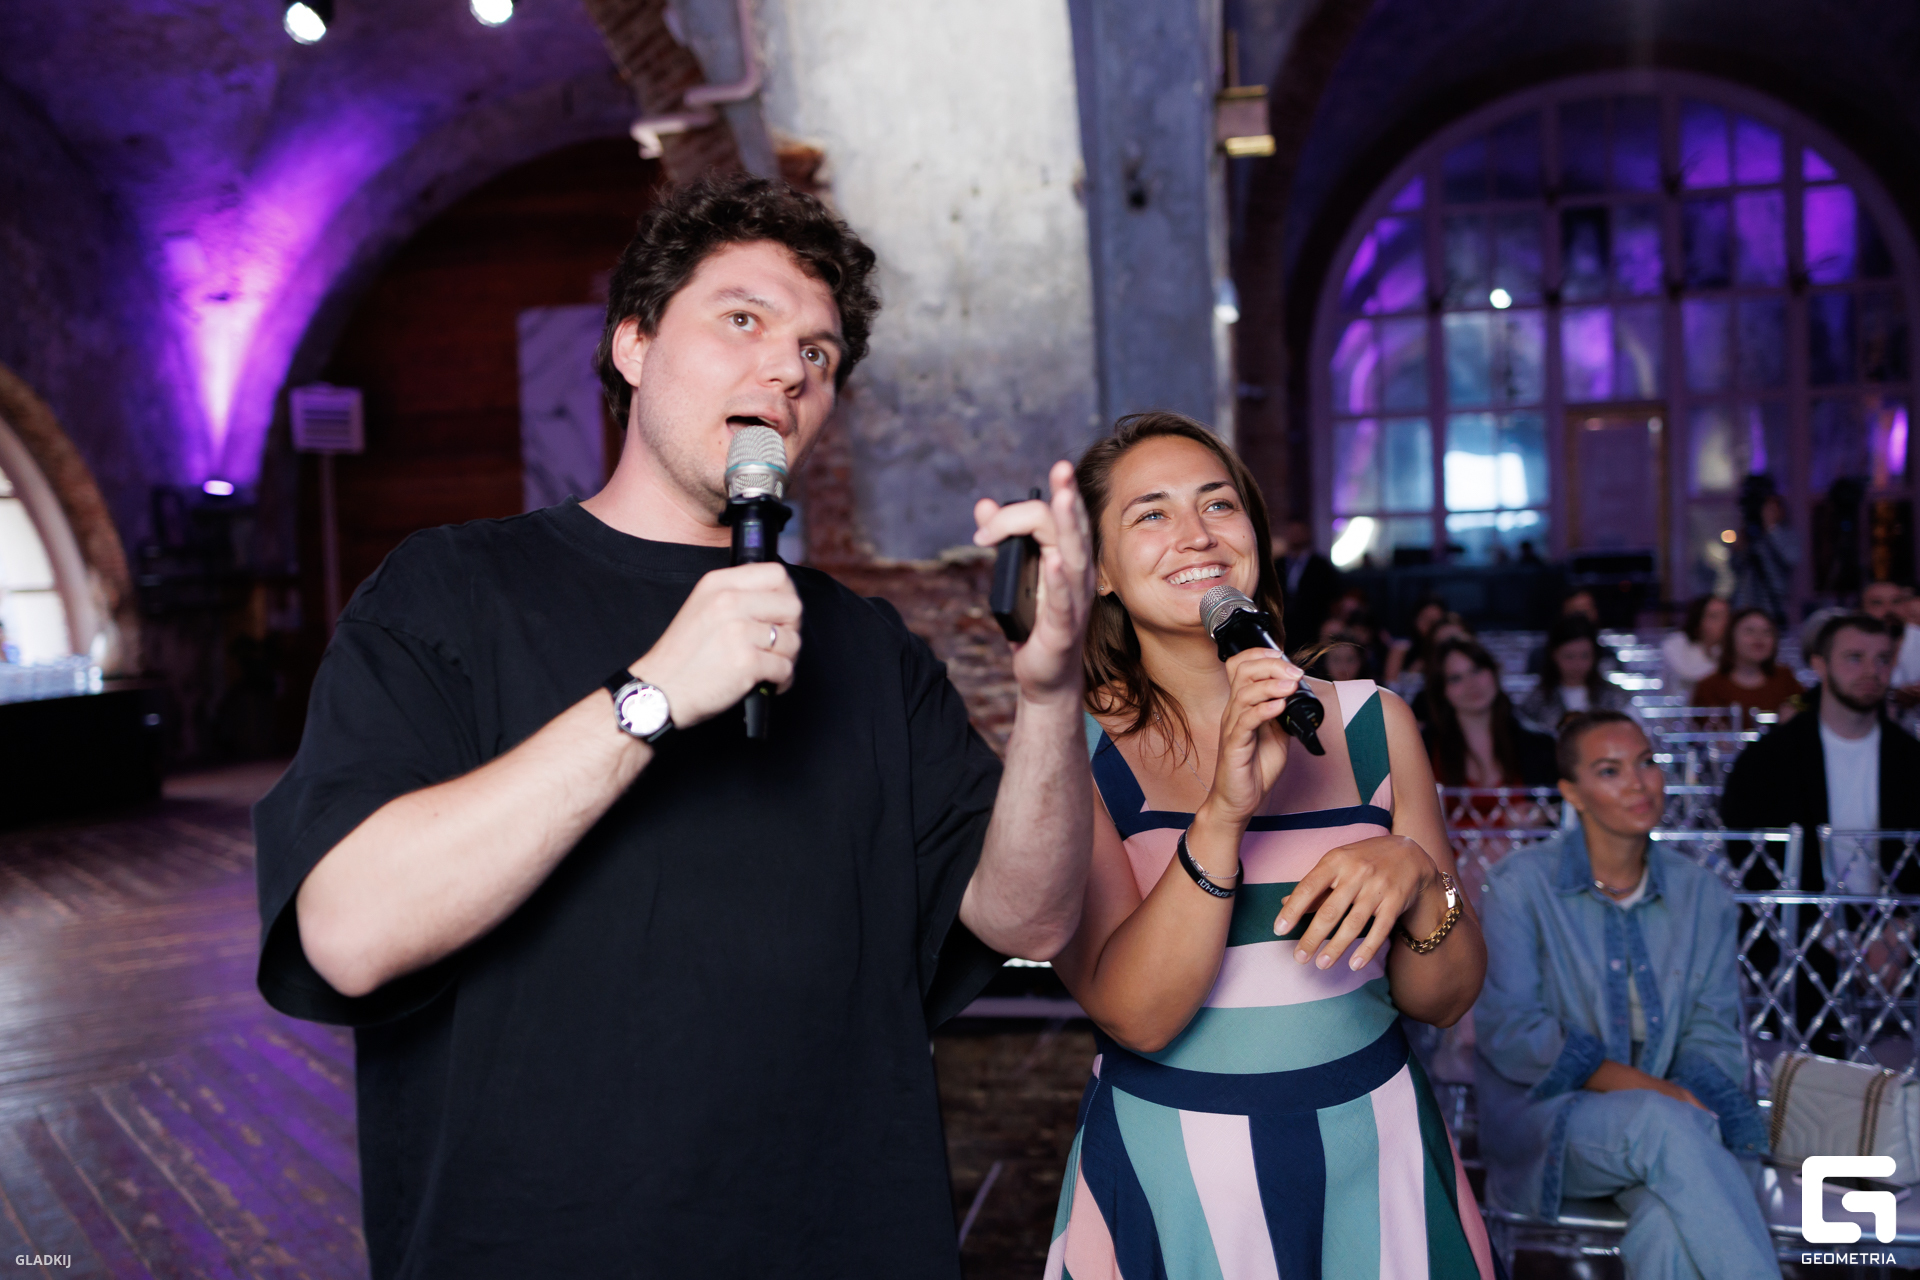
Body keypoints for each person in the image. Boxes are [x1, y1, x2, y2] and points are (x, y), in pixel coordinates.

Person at [252, 174, 1098, 1278]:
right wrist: (650, 695)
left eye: (819, 352)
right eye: (743, 319)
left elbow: (1032, 912)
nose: (788, 370)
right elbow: (350, 933)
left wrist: (1051, 693)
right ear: (634, 344)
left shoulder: (868, 647)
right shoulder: (451, 590)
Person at [1043, 412, 1495, 1280]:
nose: (1197, 535)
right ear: (1099, 570)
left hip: (1378, 1155)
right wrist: (1224, 811)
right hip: (1182, 1174)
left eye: (1219, 504)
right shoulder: (1071, 753)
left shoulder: (1374, 723)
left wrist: (1419, 877)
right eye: (1151, 514)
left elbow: (1445, 999)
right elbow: (1136, 1016)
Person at [1475, 711, 1777, 1280]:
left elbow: (1712, 1031)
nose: (1639, 784)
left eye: (1646, 763)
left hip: (1675, 1125)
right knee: (1662, 1125)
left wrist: (1680, 1096)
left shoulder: (1702, 895)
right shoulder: (1521, 886)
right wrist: (1658, 1092)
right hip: (1552, 1119)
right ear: (1573, 793)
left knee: (1667, 1224)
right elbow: (1512, 1031)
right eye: (1610, 770)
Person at [1722, 613, 1920, 879]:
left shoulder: (1910, 757)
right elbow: (1746, 854)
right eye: (1855, 658)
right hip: (1798, 904)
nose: (1872, 671)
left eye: (1883, 659)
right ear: (1820, 665)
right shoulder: (1768, 758)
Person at [1424, 639, 1558, 790]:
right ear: (1441, 691)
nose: (1471, 684)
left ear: (1494, 672)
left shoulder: (1541, 746)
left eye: (1477, 670)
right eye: (1456, 678)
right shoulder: (1423, 748)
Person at [1517, 616, 1635, 734]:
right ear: (1553, 655)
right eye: (1569, 656)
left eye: (1584, 656)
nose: (1577, 664)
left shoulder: (1618, 699)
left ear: (1595, 656)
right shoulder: (1534, 705)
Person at [1691, 607, 1802, 723]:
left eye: (1767, 632)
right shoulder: (1710, 687)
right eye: (1750, 631)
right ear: (1731, 637)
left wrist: (1795, 714)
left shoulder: (1785, 679)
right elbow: (1699, 727)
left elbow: (1805, 706)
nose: (1759, 638)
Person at [1730, 492, 1797, 625]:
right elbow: (1736, 567)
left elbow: (1791, 559)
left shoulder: (1787, 535)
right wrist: (1738, 549)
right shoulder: (1749, 536)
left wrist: (1771, 528)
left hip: (1774, 605)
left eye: (1771, 509)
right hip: (1746, 602)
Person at [1276, 517, 1341, 648]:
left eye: (1299, 531)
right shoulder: (1278, 564)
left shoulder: (1320, 565)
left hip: (1313, 624)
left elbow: (1332, 595)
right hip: (1282, 626)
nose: (1295, 535)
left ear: (1307, 534)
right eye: (1292, 531)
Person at [1660, 595, 1728, 703]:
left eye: (1727, 616)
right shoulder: (1676, 643)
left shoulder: (1726, 650)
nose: (1724, 623)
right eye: (1715, 617)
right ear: (1698, 619)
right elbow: (1689, 674)